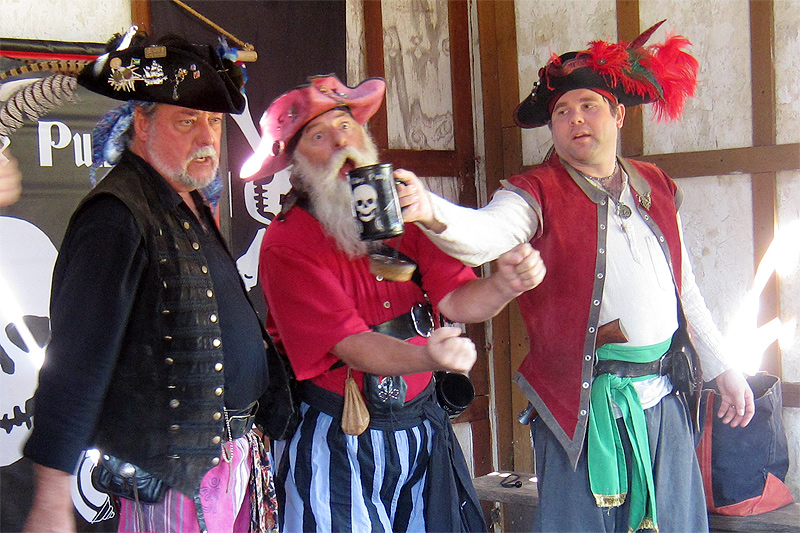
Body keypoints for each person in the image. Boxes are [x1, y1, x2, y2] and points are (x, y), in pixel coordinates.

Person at [399, 22, 756, 532]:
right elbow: (482, 235)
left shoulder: (655, 185)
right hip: (582, 411)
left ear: (618, 113)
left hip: (664, 399)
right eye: (562, 111)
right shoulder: (533, 192)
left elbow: (686, 291)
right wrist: (429, 208)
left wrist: (724, 367)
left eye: (588, 105)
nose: (575, 119)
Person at [240, 74, 546, 532]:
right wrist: (427, 357)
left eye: (346, 126)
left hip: (420, 424)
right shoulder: (287, 242)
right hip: (339, 435)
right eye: (319, 137)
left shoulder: (403, 209)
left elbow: (457, 300)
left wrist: (505, 285)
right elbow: (352, 344)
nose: (340, 143)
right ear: (297, 165)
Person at [23, 30, 278, 533]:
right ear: (142, 123)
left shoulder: (187, 199)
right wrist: (51, 496)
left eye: (213, 121)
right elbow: (74, 362)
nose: (207, 138)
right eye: (187, 121)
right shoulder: (115, 215)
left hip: (229, 462)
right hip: (173, 474)